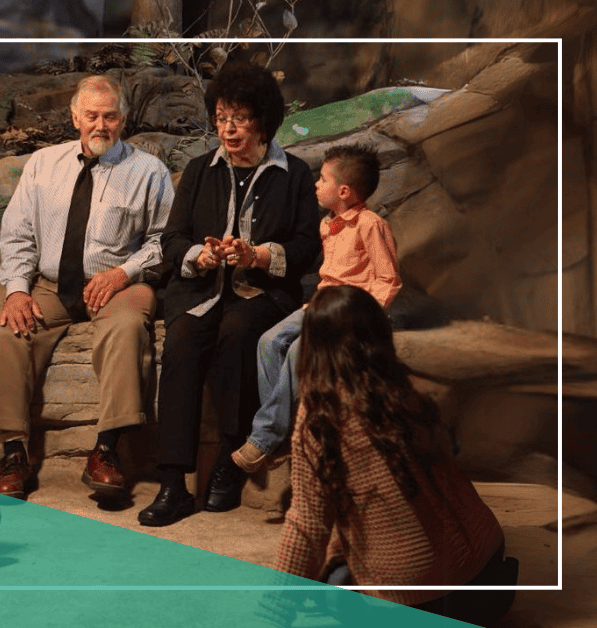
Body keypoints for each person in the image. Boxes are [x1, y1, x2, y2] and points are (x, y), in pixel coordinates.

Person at [138, 62, 321, 526]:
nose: (228, 127)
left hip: (262, 295)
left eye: (239, 117)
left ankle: (228, 461)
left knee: (239, 334)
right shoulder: (199, 170)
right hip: (199, 290)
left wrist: (258, 256)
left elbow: (306, 246)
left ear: (262, 120)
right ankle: (173, 482)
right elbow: (172, 238)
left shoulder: (294, 174)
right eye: (221, 116)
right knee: (180, 345)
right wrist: (201, 254)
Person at [272, 284, 516, 626]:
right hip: (491, 575)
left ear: (314, 346)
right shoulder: (409, 389)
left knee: (330, 585)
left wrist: (273, 611)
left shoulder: (320, 417)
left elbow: (307, 527)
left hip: (425, 601)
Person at [0, 74, 174, 500]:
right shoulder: (42, 165)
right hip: (52, 285)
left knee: (126, 329)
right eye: (92, 116)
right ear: (75, 118)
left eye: (109, 116)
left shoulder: (149, 172)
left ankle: (108, 448)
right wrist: (17, 289)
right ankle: (14, 453)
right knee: (4, 335)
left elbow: (165, 241)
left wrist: (124, 273)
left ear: (123, 119)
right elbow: (17, 235)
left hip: (120, 282)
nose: (100, 125)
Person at [232, 145, 401, 474]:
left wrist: (365, 320)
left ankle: (266, 437)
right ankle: (280, 433)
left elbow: (388, 279)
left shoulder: (371, 225)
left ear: (343, 191)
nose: (315, 185)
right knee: (269, 341)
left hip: (347, 311)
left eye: (322, 179)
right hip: (320, 304)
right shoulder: (328, 224)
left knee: (298, 351)